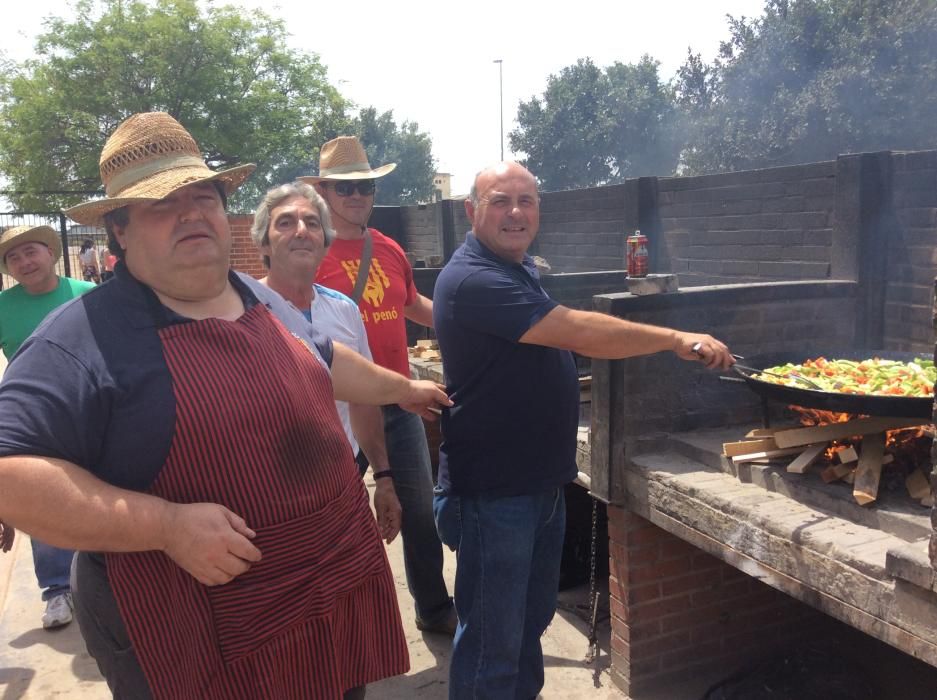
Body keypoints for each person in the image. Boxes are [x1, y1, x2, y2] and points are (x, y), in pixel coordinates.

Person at [0, 112, 452, 699]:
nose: (190, 212)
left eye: (202, 196)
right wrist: (164, 525)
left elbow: (323, 358)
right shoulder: (81, 337)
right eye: (161, 204)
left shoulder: (254, 298)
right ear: (118, 230)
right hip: (195, 623)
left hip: (325, 593)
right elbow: (11, 475)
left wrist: (402, 389)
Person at [432, 161, 735, 700]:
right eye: (501, 201)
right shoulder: (475, 278)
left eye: (527, 201)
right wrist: (672, 337)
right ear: (470, 210)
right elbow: (573, 330)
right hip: (494, 494)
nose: (516, 213)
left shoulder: (515, 267)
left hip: (539, 484)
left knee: (526, 627)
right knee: (491, 645)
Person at [305, 136, 456, 635]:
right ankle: (334, 620)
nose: (358, 196)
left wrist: (466, 326)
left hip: (397, 399)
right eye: (346, 188)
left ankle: (433, 609)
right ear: (324, 191)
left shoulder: (387, 249)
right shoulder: (307, 251)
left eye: (365, 187)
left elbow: (413, 305)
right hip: (337, 407)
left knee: (418, 512)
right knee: (328, 518)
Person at [251, 180, 402, 544]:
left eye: (312, 223)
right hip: (272, 492)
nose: (302, 230)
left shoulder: (345, 311)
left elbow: (362, 400)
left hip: (344, 476)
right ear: (265, 243)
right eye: (285, 222)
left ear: (324, 243)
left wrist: (383, 477)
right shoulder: (243, 312)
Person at [0, 224, 96, 630]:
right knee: (44, 497)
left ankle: (102, 578)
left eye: (31, 251)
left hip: (90, 408)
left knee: (98, 490)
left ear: (51, 253)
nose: (25, 261)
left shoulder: (87, 296)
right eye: (13, 257)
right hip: (33, 417)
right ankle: (56, 590)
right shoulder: (3, 307)